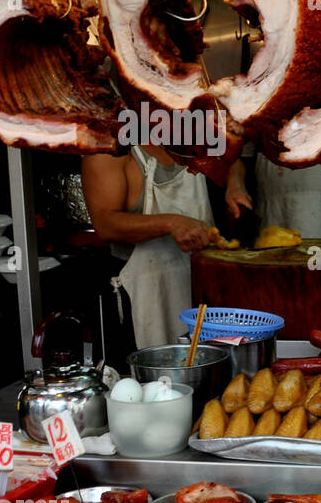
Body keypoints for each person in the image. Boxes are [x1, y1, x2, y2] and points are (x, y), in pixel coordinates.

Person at [82, 144, 239, 349]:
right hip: (146, 295)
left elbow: (235, 158)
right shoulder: (111, 149)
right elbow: (105, 224)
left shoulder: (190, 138)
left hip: (200, 289)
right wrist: (170, 223)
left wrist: (235, 184)